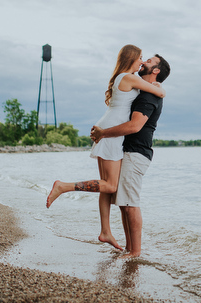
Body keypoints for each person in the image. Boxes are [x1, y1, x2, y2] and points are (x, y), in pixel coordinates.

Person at [46, 45, 166, 250]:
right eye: (140, 58)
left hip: (109, 129)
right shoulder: (129, 77)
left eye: (146, 60)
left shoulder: (124, 77)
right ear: (131, 58)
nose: (142, 62)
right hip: (111, 133)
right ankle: (63, 186)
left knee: (106, 186)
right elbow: (159, 92)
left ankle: (105, 231)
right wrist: (161, 88)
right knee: (110, 186)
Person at [91, 53, 170, 258]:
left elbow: (135, 126)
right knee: (124, 203)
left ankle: (135, 252)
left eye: (149, 61)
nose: (144, 62)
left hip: (137, 153)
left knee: (131, 203)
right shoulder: (142, 90)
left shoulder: (149, 95)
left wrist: (103, 133)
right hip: (128, 150)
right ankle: (129, 248)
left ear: (156, 71)